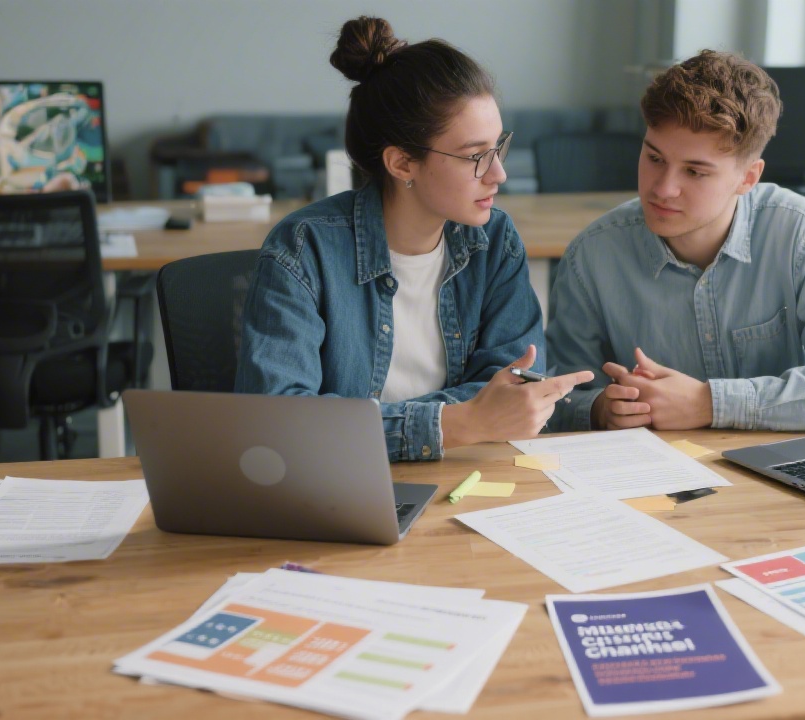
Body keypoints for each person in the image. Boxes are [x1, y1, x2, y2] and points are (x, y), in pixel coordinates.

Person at [236, 16, 592, 461]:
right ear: (402, 164)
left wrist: (380, 426)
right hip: (335, 491)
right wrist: (461, 422)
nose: (499, 174)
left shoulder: (495, 240)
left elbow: (515, 391)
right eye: (475, 156)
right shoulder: (303, 249)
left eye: (498, 147)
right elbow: (280, 425)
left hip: (465, 474)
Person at [545, 50, 805, 433]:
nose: (662, 189)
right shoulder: (592, 255)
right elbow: (557, 396)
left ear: (748, 178)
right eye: (655, 158)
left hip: (779, 469)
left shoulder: (799, 232)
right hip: (656, 478)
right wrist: (599, 408)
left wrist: (709, 404)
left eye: (695, 171)